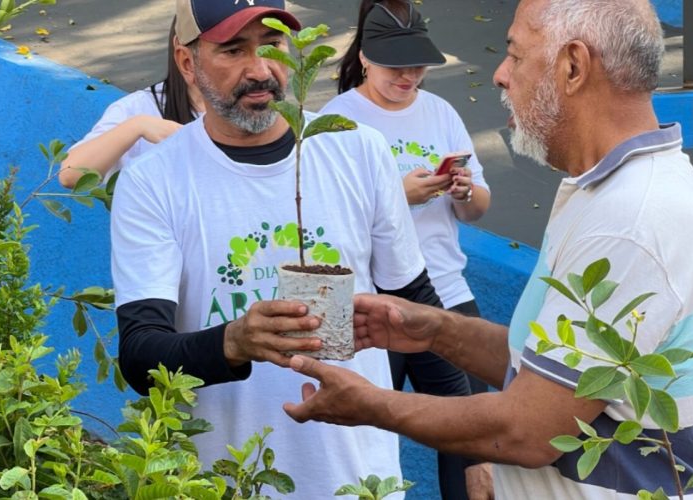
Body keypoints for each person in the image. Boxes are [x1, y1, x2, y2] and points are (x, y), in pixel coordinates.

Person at [282, 0, 693, 498]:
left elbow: (526, 429)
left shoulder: (631, 220)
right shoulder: (606, 190)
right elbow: (551, 370)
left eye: (516, 56)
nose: (499, 75)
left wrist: (370, 405)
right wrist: (437, 329)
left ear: (572, 67)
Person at [110, 0, 443, 497]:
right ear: (187, 62)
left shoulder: (357, 149)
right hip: (222, 482)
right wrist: (234, 342)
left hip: (359, 481)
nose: (261, 70)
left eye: (272, 44)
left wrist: (472, 452)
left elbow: (416, 307)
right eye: (233, 49)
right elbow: (140, 356)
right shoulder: (154, 181)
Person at [322, 1, 493, 498]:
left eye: (417, 64)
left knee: (469, 440)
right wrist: (397, 196)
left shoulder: (440, 112)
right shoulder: (337, 121)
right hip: (370, 303)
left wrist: (463, 192)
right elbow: (320, 222)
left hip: (445, 289)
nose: (409, 75)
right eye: (396, 65)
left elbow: (479, 208)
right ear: (367, 58)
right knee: (363, 439)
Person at [59, 17, 203, 188]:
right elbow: (70, 174)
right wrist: (137, 126)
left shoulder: (241, 109)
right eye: (231, 50)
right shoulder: (141, 107)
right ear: (185, 58)